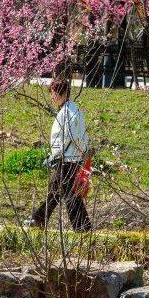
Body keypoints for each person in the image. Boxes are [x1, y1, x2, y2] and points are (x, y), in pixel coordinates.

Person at [28, 77, 93, 232]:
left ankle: (41, 219)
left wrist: (66, 153)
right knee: (60, 193)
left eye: (53, 93)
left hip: (68, 159)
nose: (52, 97)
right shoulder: (70, 109)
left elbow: (73, 137)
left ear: (62, 93)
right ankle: (80, 227)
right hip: (68, 158)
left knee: (65, 195)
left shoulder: (68, 112)